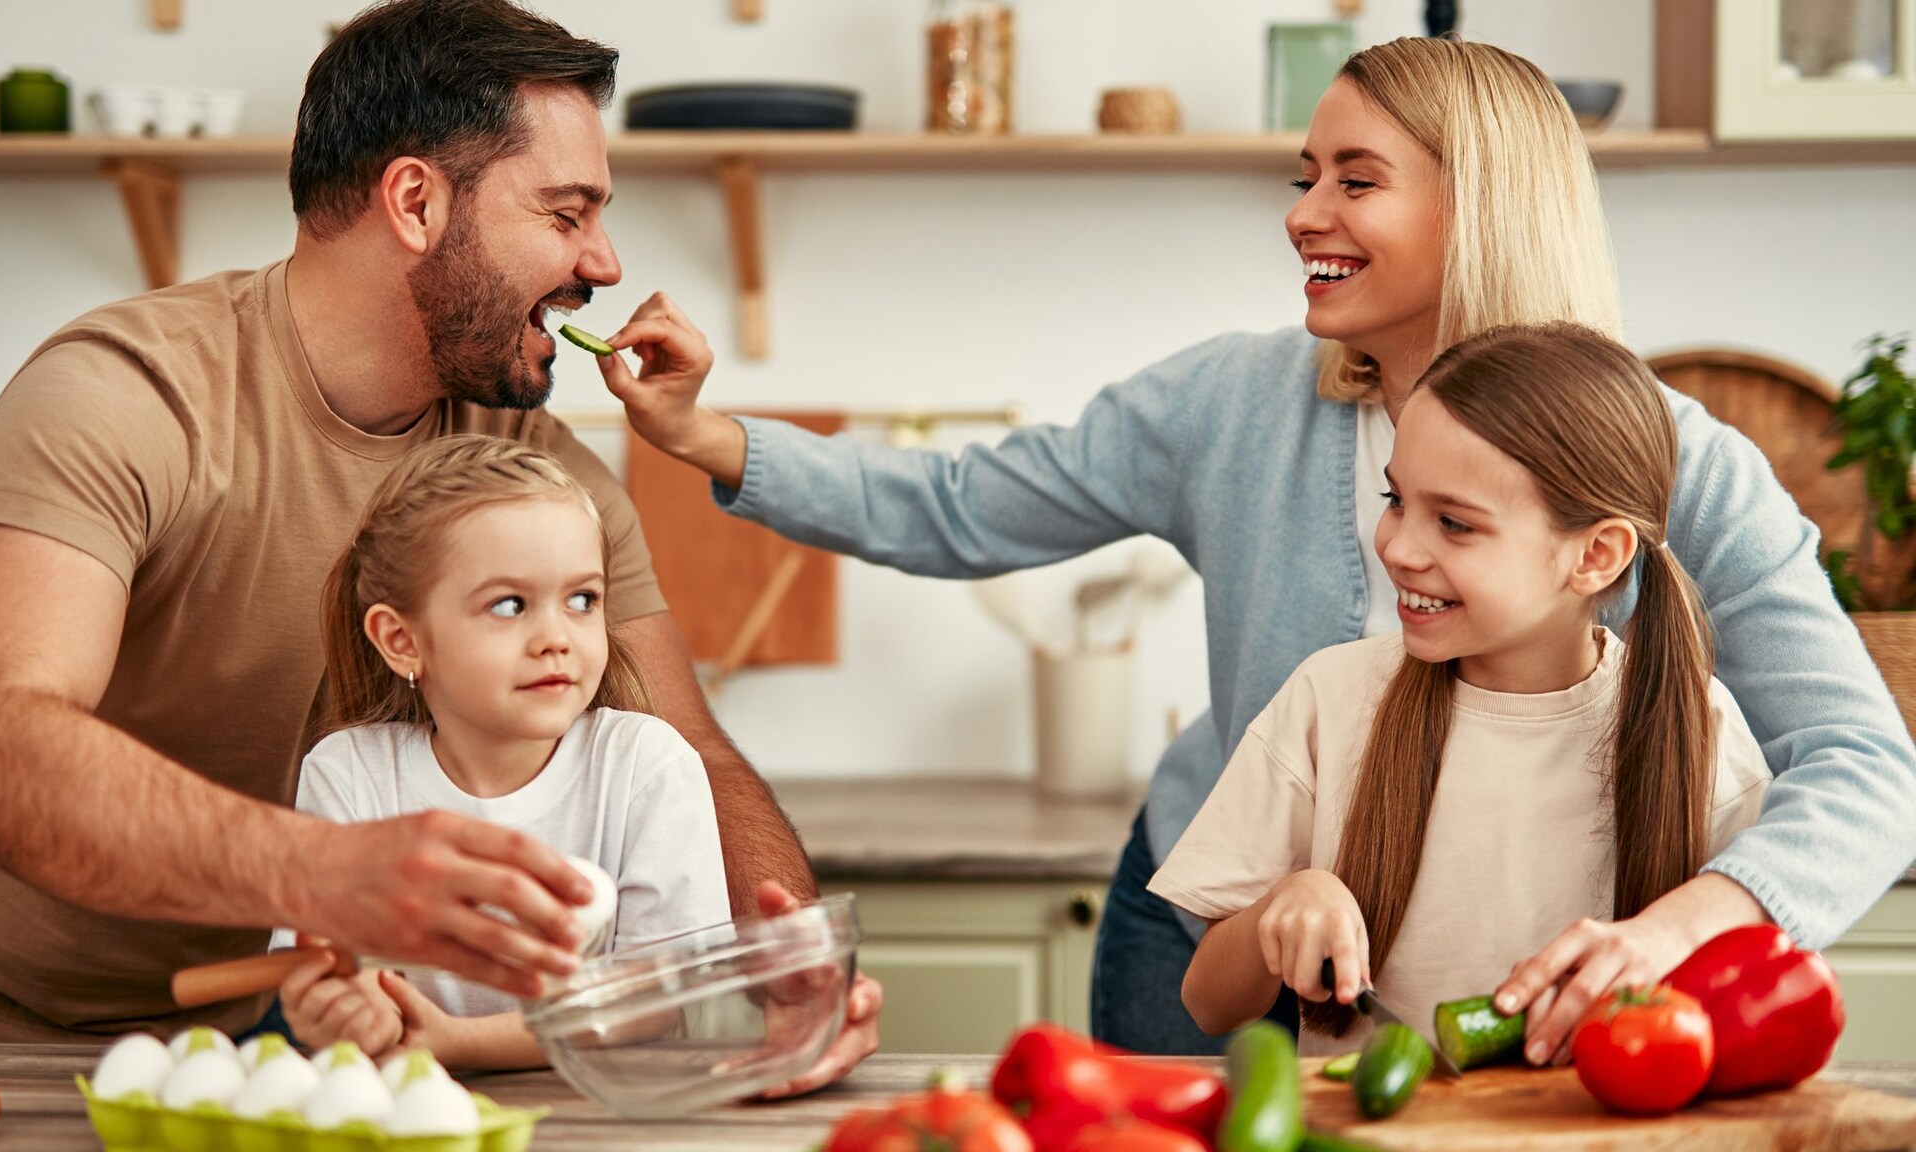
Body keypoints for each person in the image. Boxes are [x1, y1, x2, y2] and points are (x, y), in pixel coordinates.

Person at [597, 35, 1916, 1061]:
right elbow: (964, 503)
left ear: (1484, 205)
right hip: (1213, 937)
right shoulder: (1230, 403)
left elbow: (1864, 766)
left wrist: (1679, 930)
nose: (1302, 214)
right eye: (1304, 177)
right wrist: (708, 436)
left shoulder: (1678, 464)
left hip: (1507, 973)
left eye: (1355, 180)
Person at [0, 0, 879, 1084]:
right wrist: (323, 870)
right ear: (415, 201)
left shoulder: (528, 469)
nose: (603, 260)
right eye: (565, 213)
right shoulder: (126, 395)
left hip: (266, 1033)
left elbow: (690, 749)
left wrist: (787, 967)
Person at [1151, 324, 1771, 1057]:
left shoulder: (1701, 730)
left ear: (1596, 554)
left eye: (1453, 523)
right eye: (1395, 499)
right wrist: (1276, 912)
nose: (1398, 548)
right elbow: (1208, 1003)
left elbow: (1751, 1008)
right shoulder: (1329, 698)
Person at [274, 435, 729, 1069]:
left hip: (602, 1113)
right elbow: (321, 968)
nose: (556, 638)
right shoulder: (348, 773)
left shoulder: (647, 766)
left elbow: (659, 995)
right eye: (510, 605)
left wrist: (457, 1044)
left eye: (583, 600)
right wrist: (339, 1007)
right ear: (402, 640)